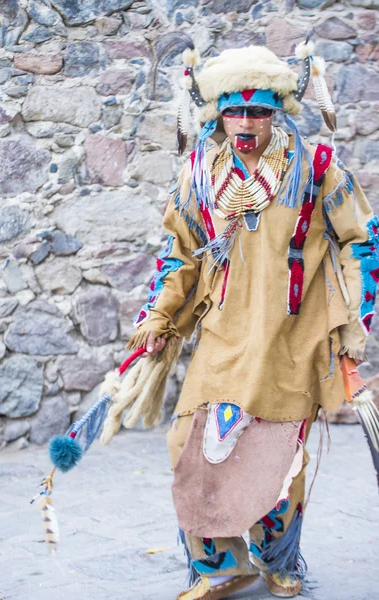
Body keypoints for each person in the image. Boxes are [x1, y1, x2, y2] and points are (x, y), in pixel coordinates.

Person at [124, 39, 379, 599]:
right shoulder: (200, 172)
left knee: (279, 459)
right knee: (191, 446)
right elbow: (181, 254)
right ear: (217, 113)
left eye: (260, 110)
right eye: (234, 109)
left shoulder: (316, 170)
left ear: (278, 112)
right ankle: (219, 567)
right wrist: (159, 317)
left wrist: (352, 325)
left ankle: (278, 561)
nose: (246, 121)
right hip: (222, 334)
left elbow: (364, 243)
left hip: (292, 337)